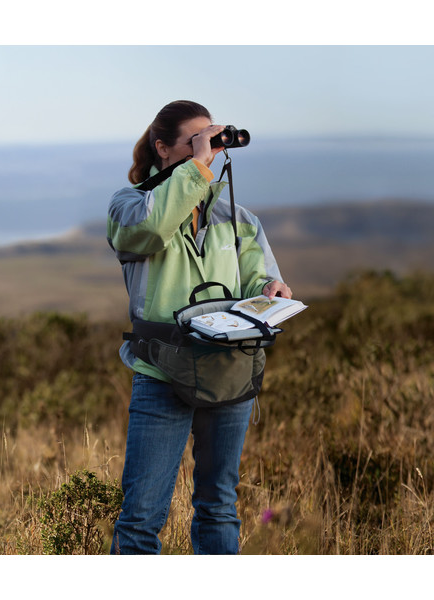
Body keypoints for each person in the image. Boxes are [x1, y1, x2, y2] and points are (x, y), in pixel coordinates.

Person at [106, 100, 292, 555]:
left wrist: (270, 288)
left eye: (212, 139)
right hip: (163, 372)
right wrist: (197, 170)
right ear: (163, 148)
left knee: (219, 507)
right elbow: (151, 230)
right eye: (196, 141)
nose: (207, 149)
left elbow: (254, 276)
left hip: (229, 369)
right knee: (142, 518)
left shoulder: (238, 216)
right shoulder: (129, 206)